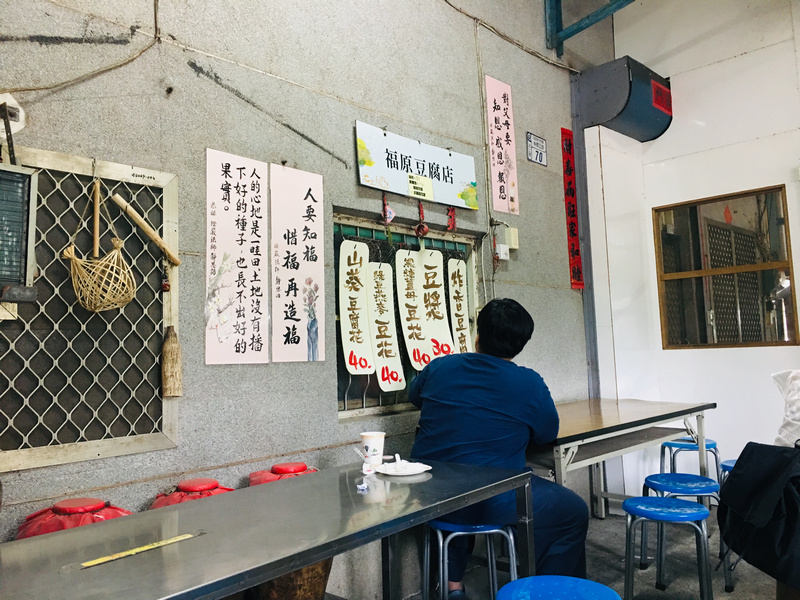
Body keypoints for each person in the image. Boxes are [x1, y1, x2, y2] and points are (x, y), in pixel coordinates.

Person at [410, 298, 588, 599]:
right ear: (520, 345)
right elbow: (547, 434)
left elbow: (415, 396)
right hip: (491, 498)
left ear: (478, 335)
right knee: (573, 512)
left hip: (429, 492)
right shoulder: (528, 383)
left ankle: (452, 586)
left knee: (459, 484)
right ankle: (545, 592)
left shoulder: (440, 367)